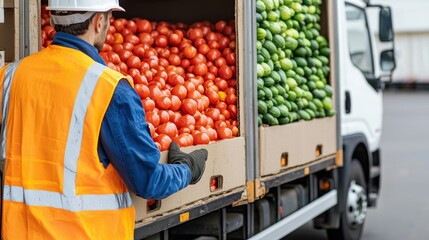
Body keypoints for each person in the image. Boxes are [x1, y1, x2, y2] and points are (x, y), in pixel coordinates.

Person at [0, 0, 208, 239]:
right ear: (99, 22)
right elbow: (148, 182)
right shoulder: (108, 88)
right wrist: (187, 169)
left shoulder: (10, 76)